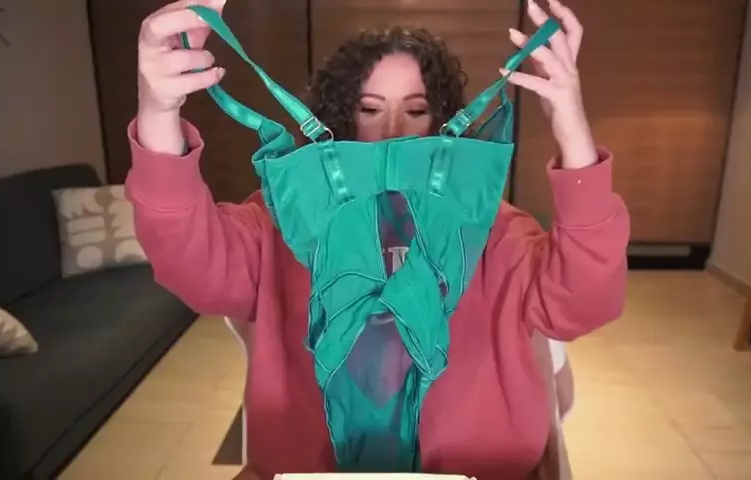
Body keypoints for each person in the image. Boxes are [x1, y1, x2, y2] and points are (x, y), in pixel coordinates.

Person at [129, 0, 629, 478]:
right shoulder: (281, 221)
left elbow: (581, 302)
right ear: (340, 117)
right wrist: (157, 110)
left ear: (442, 121)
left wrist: (573, 131)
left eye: (416, 110)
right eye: (370, 109)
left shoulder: (494, 231)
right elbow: (192, 261)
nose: (393, 132)